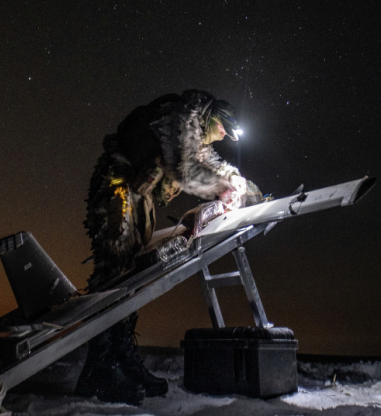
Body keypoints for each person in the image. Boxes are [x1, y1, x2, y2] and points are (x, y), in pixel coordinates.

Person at [75, 89, 258, 404]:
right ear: (214, 117)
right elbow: (185, 170)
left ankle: (124, 362)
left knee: (132, 278)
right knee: (114, 274)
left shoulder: (195, 131)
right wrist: (227, 185)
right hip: (117, 191)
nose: (223, 136)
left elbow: (201, 162)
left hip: (136, 195)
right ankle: (100, 368)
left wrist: (234, 180)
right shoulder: (181, 117)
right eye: (223, 129)